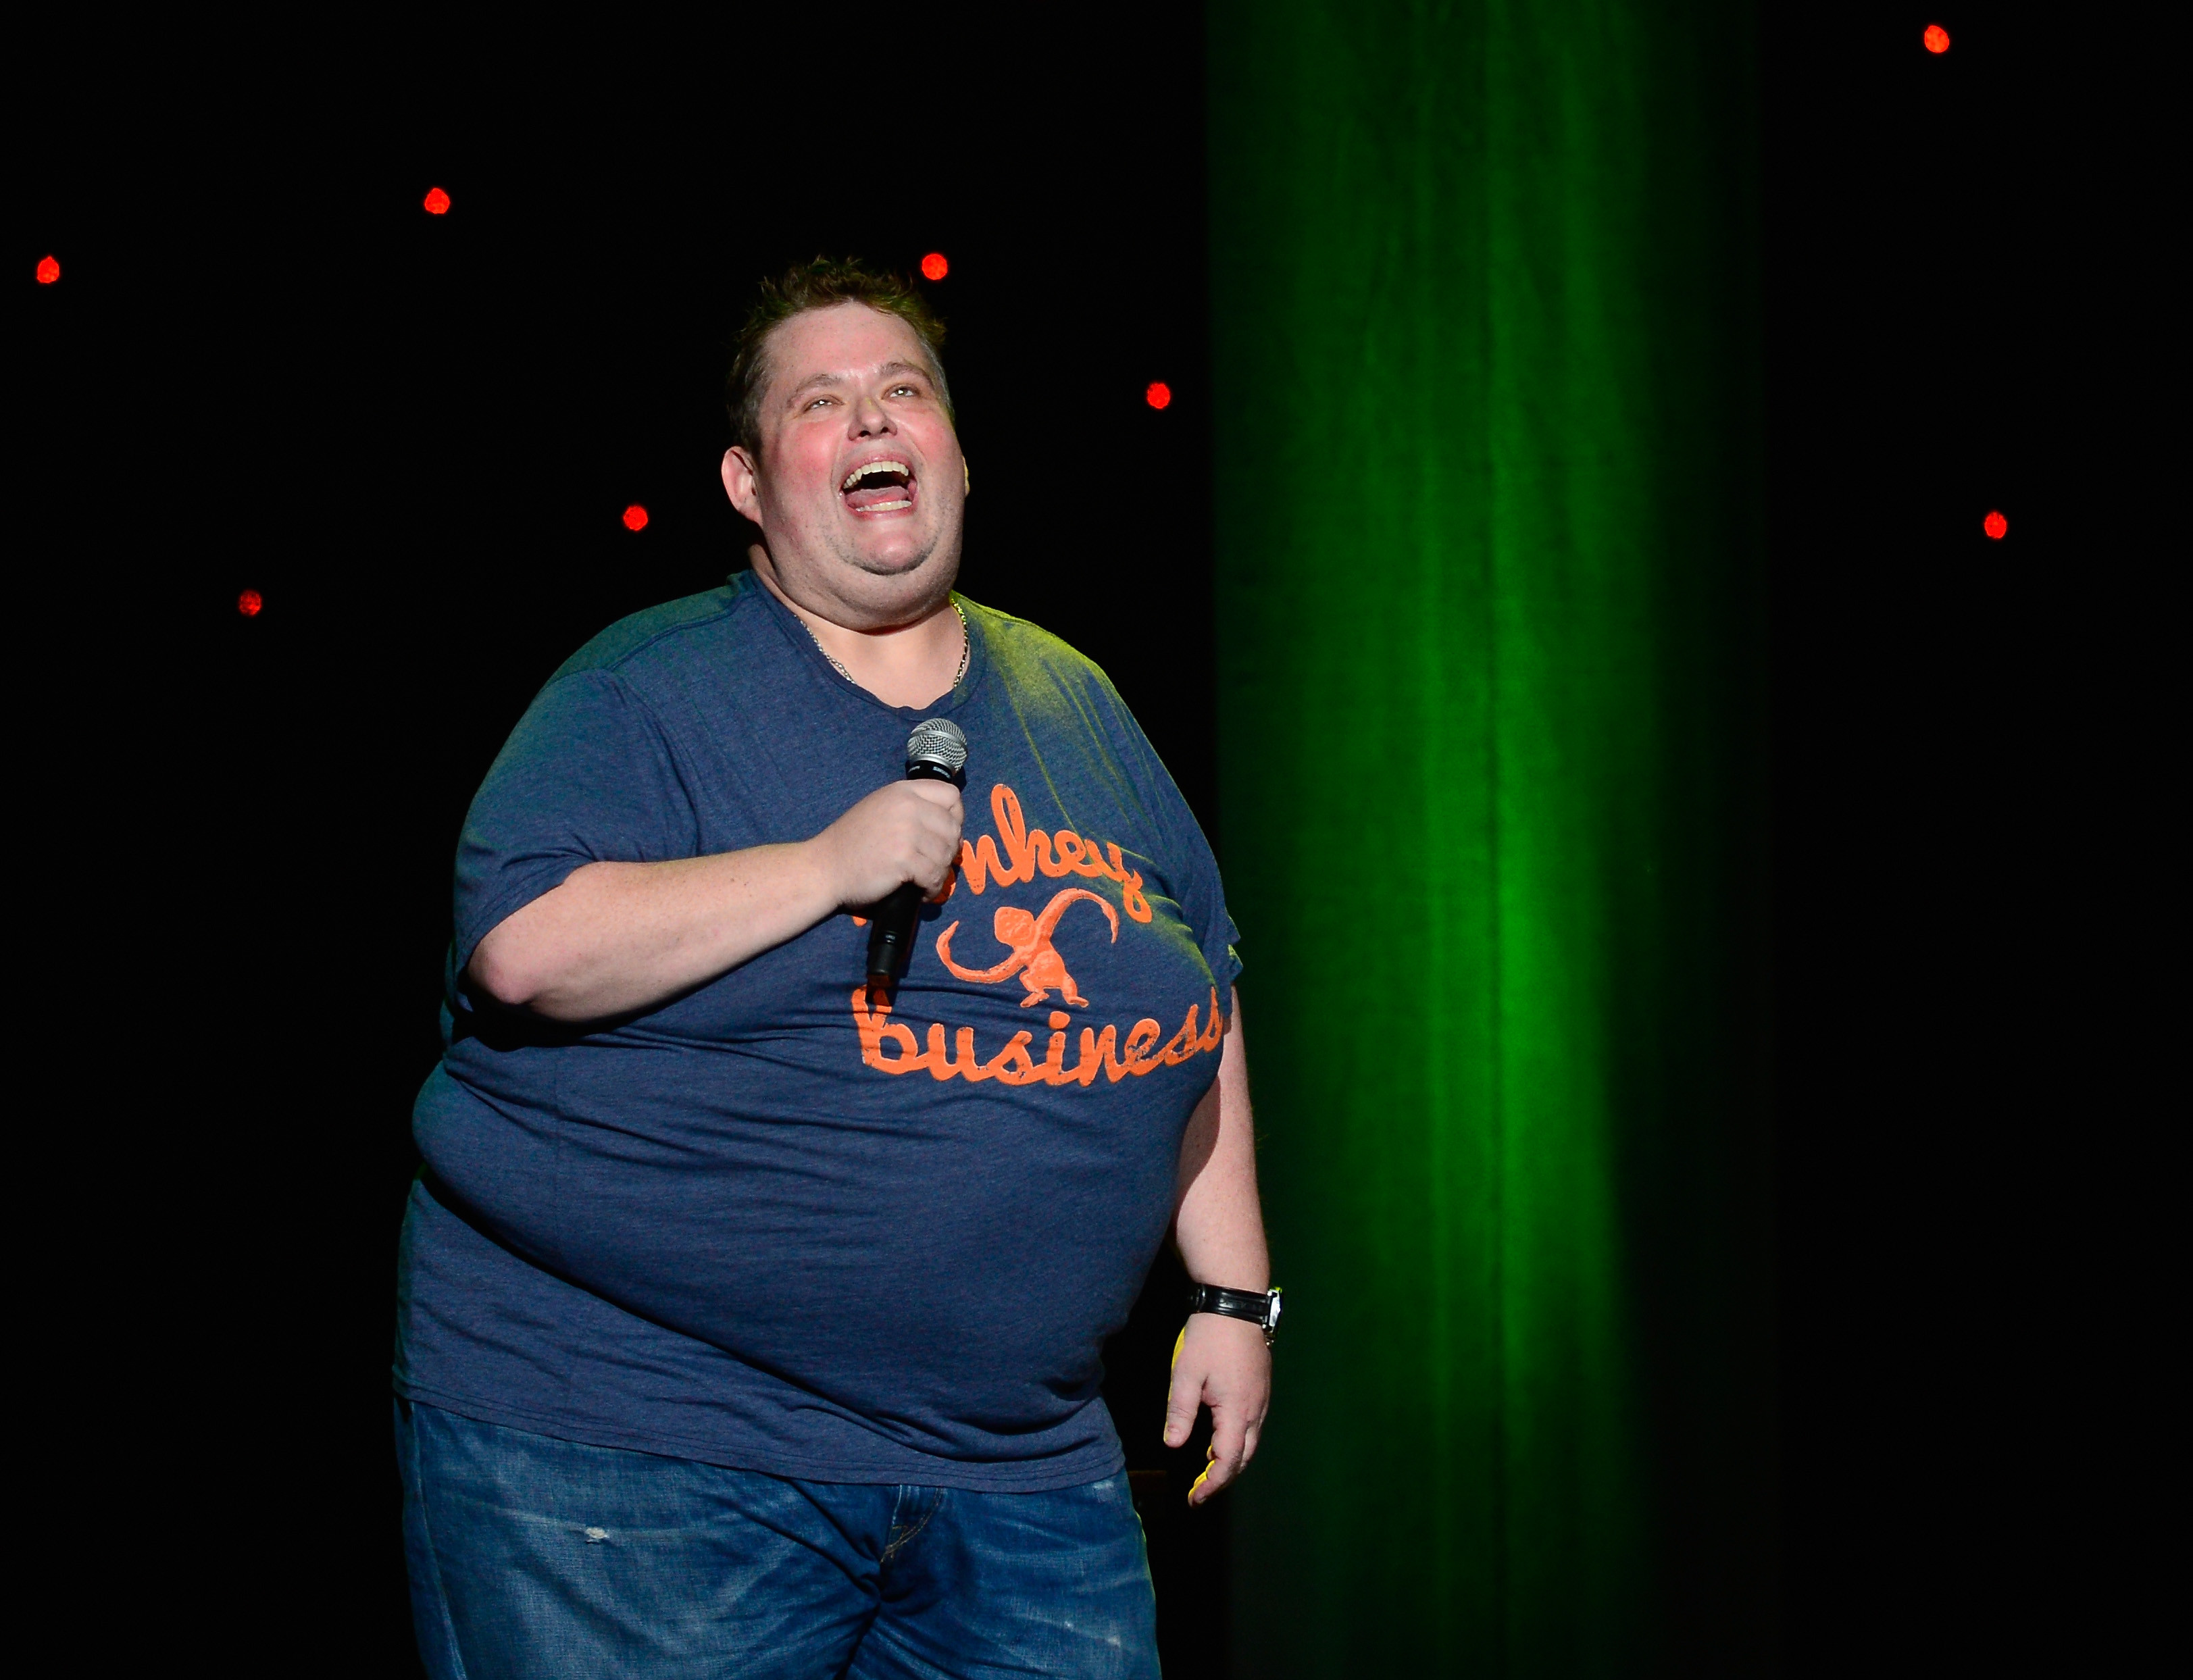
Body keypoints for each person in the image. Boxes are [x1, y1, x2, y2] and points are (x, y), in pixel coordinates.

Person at [392, 257, 1277, 1679]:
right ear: (749, 483)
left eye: (903, 392)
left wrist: (1232, 1292)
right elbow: (523, 949)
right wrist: (825, 863)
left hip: (1022, 1468)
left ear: (958, 455)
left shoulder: (1074, 699)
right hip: (648, 1458)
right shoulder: (645, 688)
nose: (874, 419)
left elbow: (1198, 991)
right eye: (824, 402)